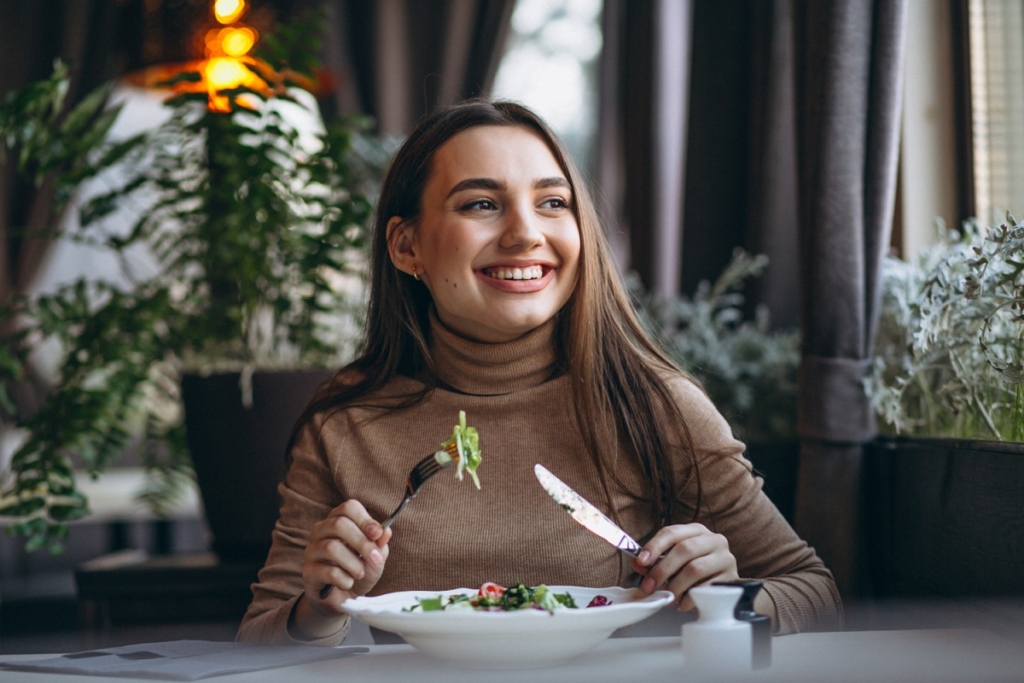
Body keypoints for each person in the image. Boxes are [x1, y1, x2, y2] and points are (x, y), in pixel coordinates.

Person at [236, 100, 842, 645]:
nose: (526, 233)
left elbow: (815, 593)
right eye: (481, 204)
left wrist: (728, 599)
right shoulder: (346, 421)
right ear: (405, 246)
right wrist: (319, 608)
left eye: (553, 203)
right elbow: (260, 636)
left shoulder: (654, 405)